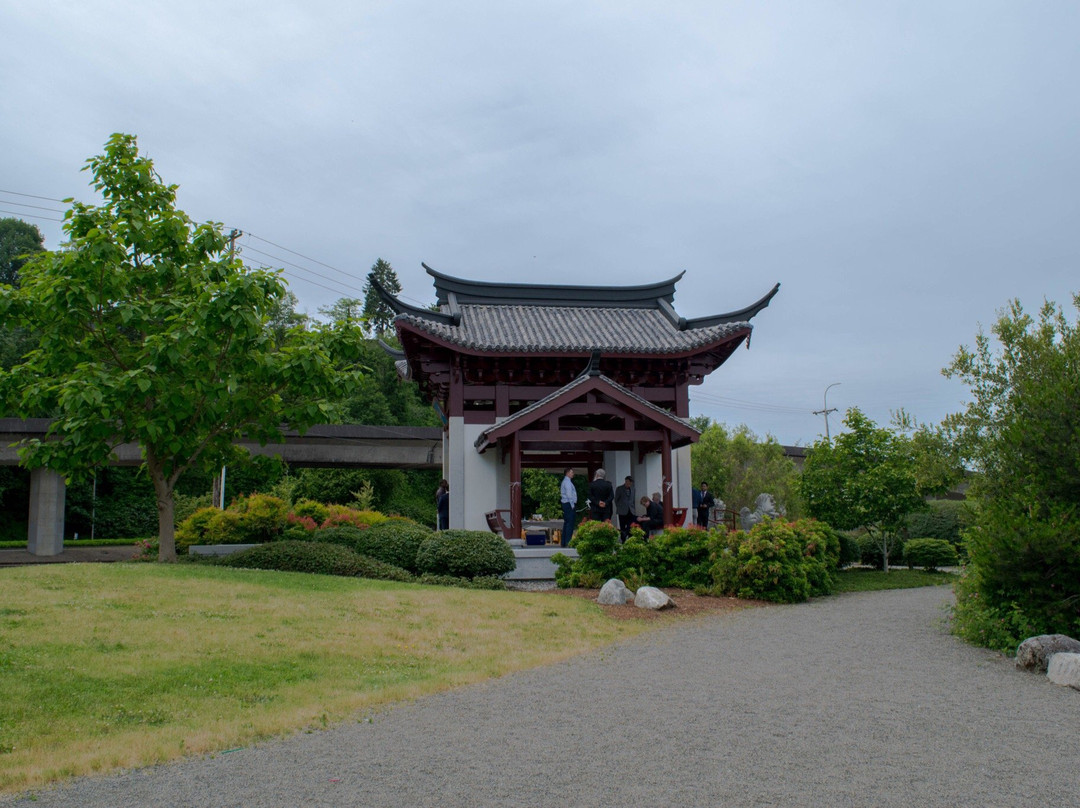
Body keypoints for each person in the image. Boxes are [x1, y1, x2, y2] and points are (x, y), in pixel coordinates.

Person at [613, 475, 635, 541]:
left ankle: (630, 539)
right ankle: (623, 540)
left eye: (631, 483)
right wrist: (620, 507)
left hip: (631, 510)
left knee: (631, 526)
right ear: (626, 481)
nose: (630, 484)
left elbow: (633, 500)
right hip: (622, 511)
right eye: (629, 482)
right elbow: (616, 499)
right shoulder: (619, 489)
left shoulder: (633, 489)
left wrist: (633, 508)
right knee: (622, 526)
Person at [560, 467, 577, 547]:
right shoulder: (567, 482)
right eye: (571, 472)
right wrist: (572, 504)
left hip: (566, 503)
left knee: (566, 523)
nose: (573, 474)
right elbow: (569, 494)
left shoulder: (566, 481)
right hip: (568, 503)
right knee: (570, 523)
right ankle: (568, 541)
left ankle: (564, 542)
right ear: (567, 473)